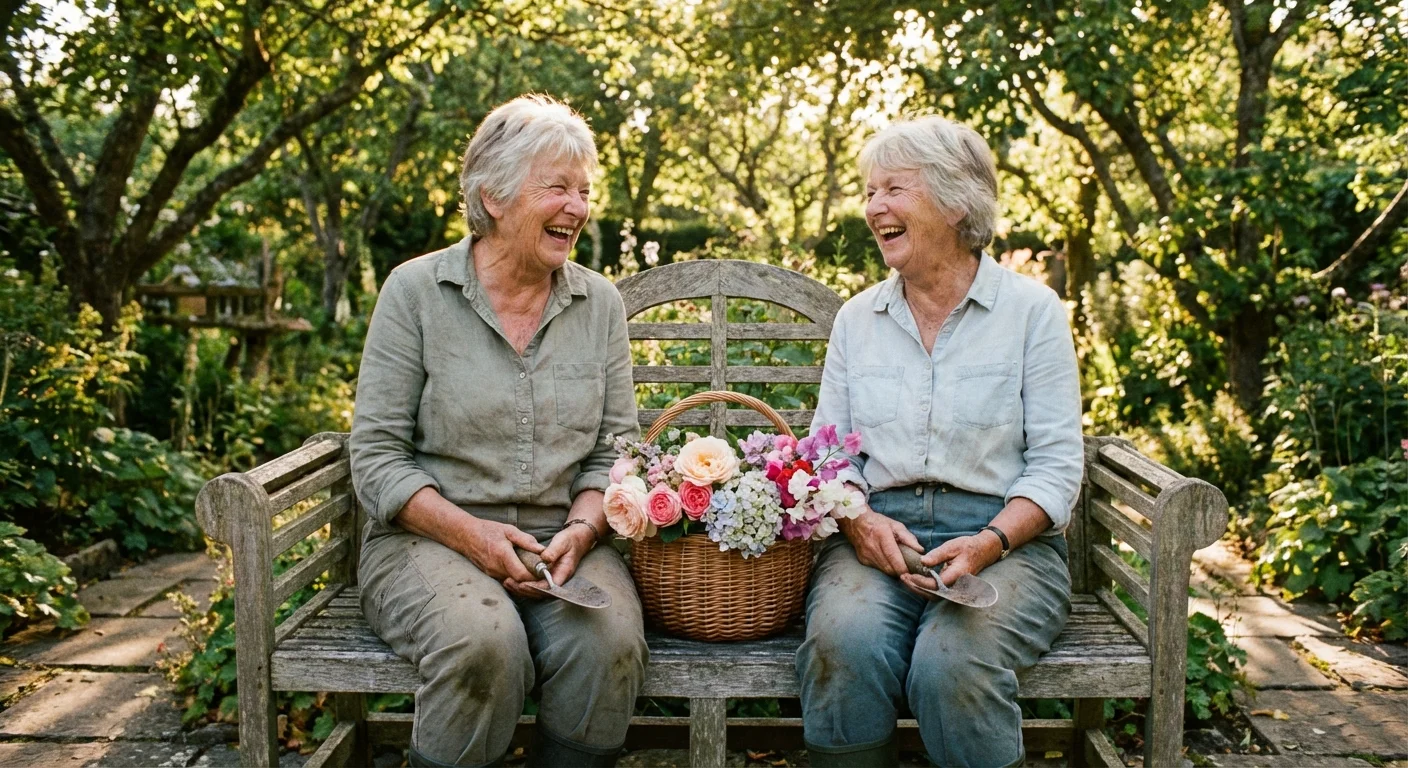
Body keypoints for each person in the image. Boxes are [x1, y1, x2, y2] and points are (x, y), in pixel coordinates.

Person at [350, 95, 646, 768]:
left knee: (608, 644)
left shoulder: (598, 303)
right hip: (429, 540)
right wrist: (474, 536)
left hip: (561, 542)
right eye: (558, 189)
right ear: (494, 197)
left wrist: (582, 530)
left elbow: (615, 449)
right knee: (484, 643)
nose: (578, 207)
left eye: (584, 191)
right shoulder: (416, 292)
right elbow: (375, 456)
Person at [797, 115, 1083, 768]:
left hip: (1006, 541)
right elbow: (827, 456)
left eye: (894, 189)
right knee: (846, 645)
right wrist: (859, 520)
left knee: (952, 662)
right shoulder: (857, 319)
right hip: (879, 539)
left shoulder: (1031, 314)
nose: (874, 208)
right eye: (869, 192)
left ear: (957, 202)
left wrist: (989, 543)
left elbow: (1058, 465)